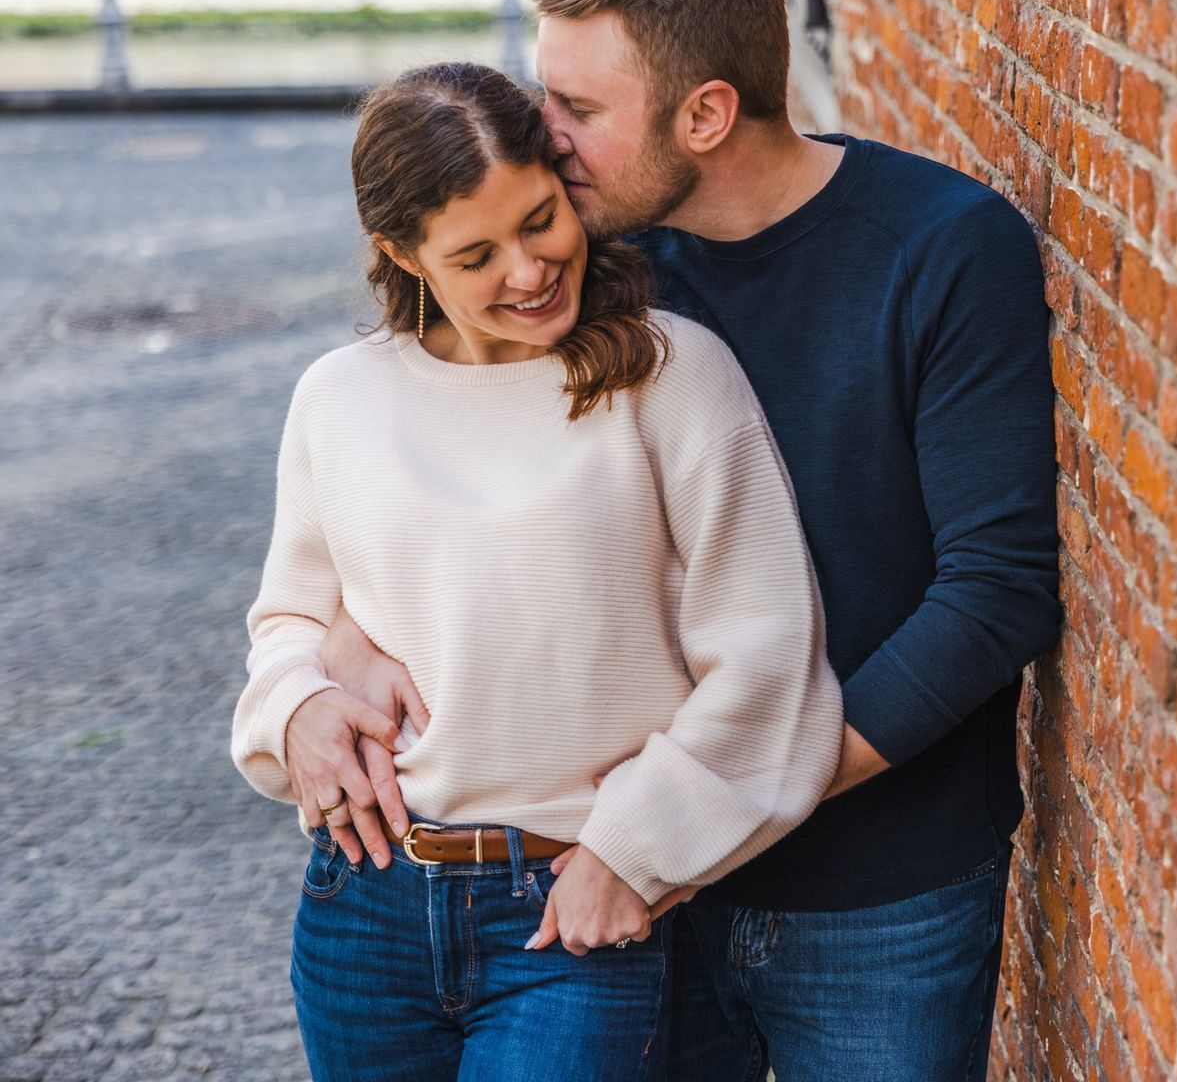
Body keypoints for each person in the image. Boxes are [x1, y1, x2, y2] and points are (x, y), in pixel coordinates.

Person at [320, 0, 1062, 1079]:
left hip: (873, 888)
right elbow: (450, 497)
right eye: (542, 94)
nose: (541, 139)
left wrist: (709, 804)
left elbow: (996, 593)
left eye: (577, 110)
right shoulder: (593, 273)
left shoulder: (943, 248)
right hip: (619, 898)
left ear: (705, 114)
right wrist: (344, 639)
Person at [230, 61, 844, 1082]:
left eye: (542, 219)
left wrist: (631, 850)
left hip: (570, 906)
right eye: (476, 253)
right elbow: (290, 616)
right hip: (364, 903)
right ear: (403, 253)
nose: (528, 269)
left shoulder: (670, 373)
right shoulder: (338, 397)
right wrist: (294, 705)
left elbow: (769, 651)